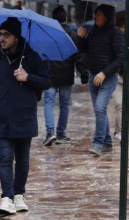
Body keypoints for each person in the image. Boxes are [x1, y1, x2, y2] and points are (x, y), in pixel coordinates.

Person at [0, 17, 50, 215]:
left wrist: (27, 77)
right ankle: (6, 198)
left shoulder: (32, 57)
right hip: (3, 117)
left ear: (16, 37)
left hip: (25, 116)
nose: (2, 38)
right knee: (5, 158)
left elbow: (46, 82)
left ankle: (18, 195)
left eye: (6, 35)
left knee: (23, 160)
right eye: (0, 34)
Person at [77, 4, 124, 156]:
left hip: (108, 78)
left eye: (99, 14)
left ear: (107, 16)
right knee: (100, 112)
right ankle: (107, 143)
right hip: (93, 76)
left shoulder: (116, 33)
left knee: (100, 109)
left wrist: (104, 73)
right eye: (95, 13)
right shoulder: (94, 31)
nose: (95, 16)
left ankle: (97, 143)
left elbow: (120, 59)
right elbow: (85, 49)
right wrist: (81, 38)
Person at [43, 6, 90, 146]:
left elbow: (41, 54)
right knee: (64, 105)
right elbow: (79, 57)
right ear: (66, 19)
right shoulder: (73, 34)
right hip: (66, 75)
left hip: (49, 74)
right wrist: (84, 75)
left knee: (49, 103)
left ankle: (50, 133)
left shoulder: (48, 34)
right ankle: (61, 134)